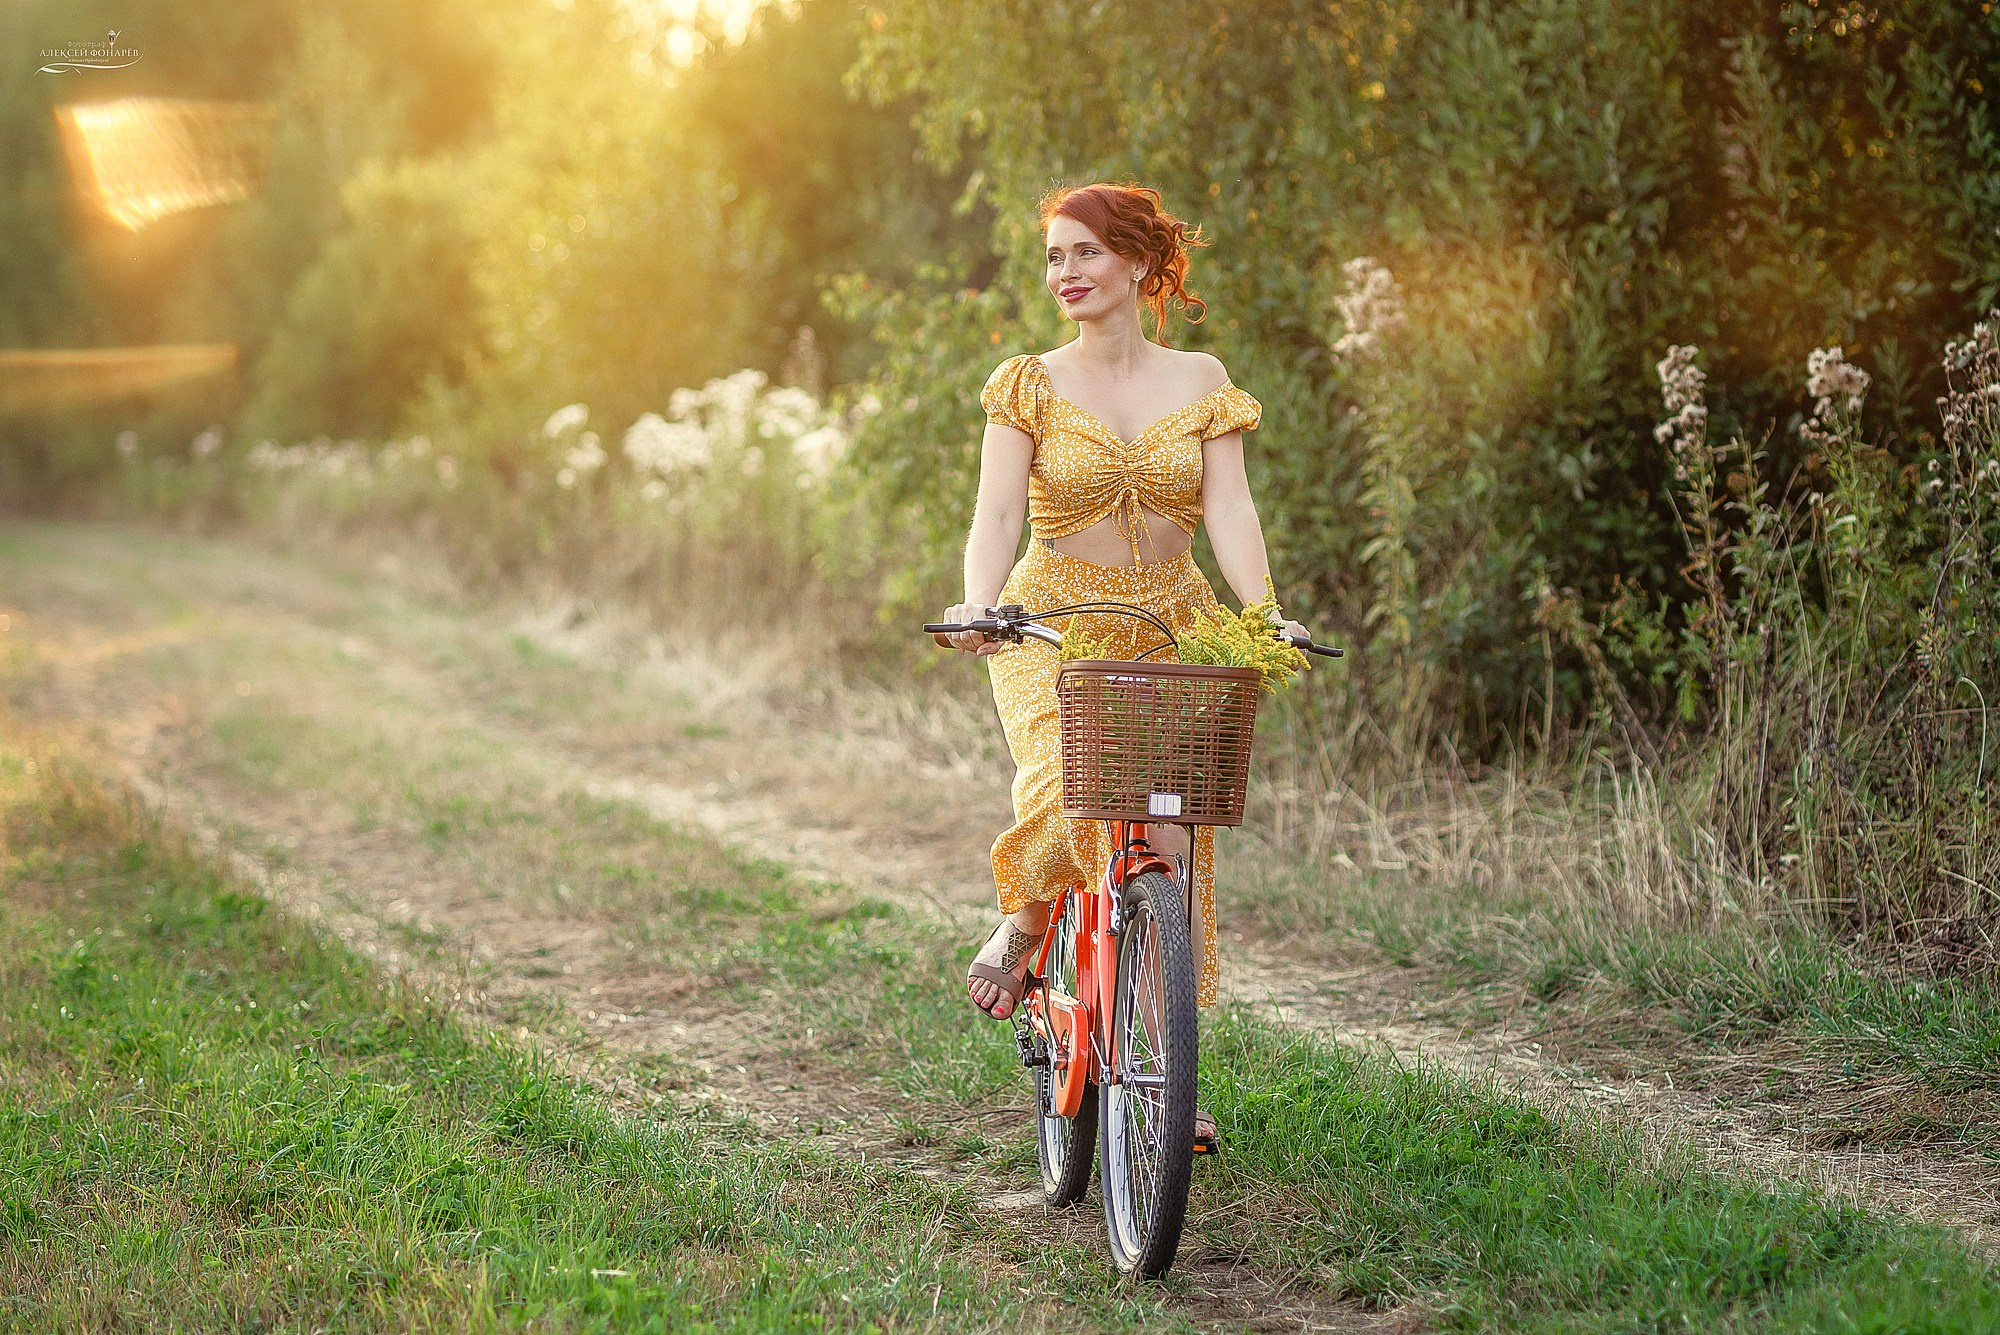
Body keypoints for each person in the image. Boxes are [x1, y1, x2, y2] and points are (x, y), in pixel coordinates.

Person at [938, 182, 1309, 1150]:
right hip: (1049, 618)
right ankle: (1029, 920)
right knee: (1068, 777)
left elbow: (1228, 508)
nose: (1065, 272)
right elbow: (996, 512)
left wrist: (1262, 615)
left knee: (1166, 838)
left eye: (1086, 252)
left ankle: (1161, 1077)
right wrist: (979, 603)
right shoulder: (1028, 382)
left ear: (1140, 262)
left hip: (1171, 617)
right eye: (1054, 256)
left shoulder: (1201, 378)